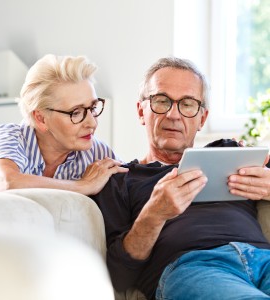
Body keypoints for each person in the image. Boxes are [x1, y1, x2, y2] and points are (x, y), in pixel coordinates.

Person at [91, 57, 270, 300]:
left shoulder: (229, 152)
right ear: (141, 111)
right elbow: (120, 275)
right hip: (195, 267)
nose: (173, 115)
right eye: (162, 101)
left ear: (202, 118)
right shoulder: (120, 180)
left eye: (187, 104)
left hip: (264, 258)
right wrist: (154, 214)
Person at [0, 54, 127, 194]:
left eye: (92, 108)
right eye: (75, 112)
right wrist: (83, 186)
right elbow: (6, 183)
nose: (92, 123)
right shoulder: (10, 137)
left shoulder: (98, 153)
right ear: (41, 119)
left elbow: (130, 189)